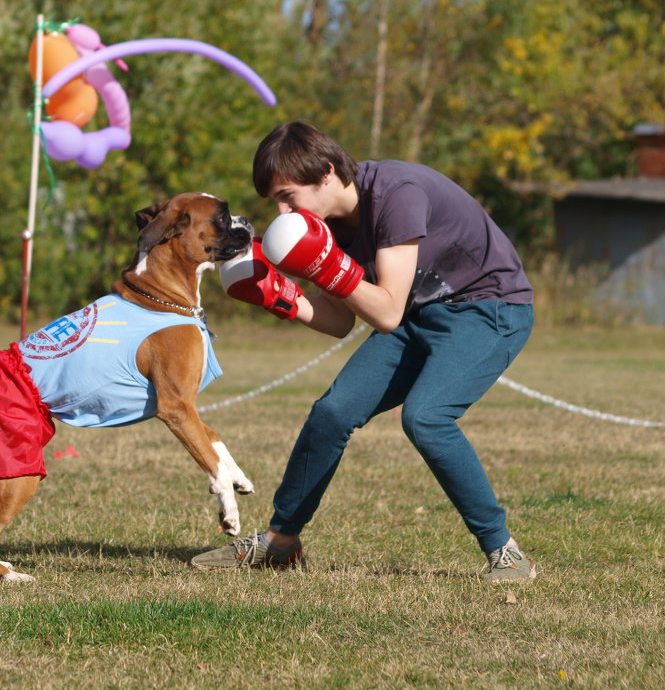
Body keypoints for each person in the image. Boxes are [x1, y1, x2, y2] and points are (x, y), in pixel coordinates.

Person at [192, 121, 536, 582]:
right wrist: (282, 299)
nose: (281, 209)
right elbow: (341, 320)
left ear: (327, 173)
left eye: (287, 195)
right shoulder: (323, 226)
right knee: (332, 412)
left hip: (489, 308)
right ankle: (281, 542)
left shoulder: (398, 194)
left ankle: (505, 552)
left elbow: (387, 312)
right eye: (274, 199)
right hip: (419, 315)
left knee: (427, 416)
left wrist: (331, 269)